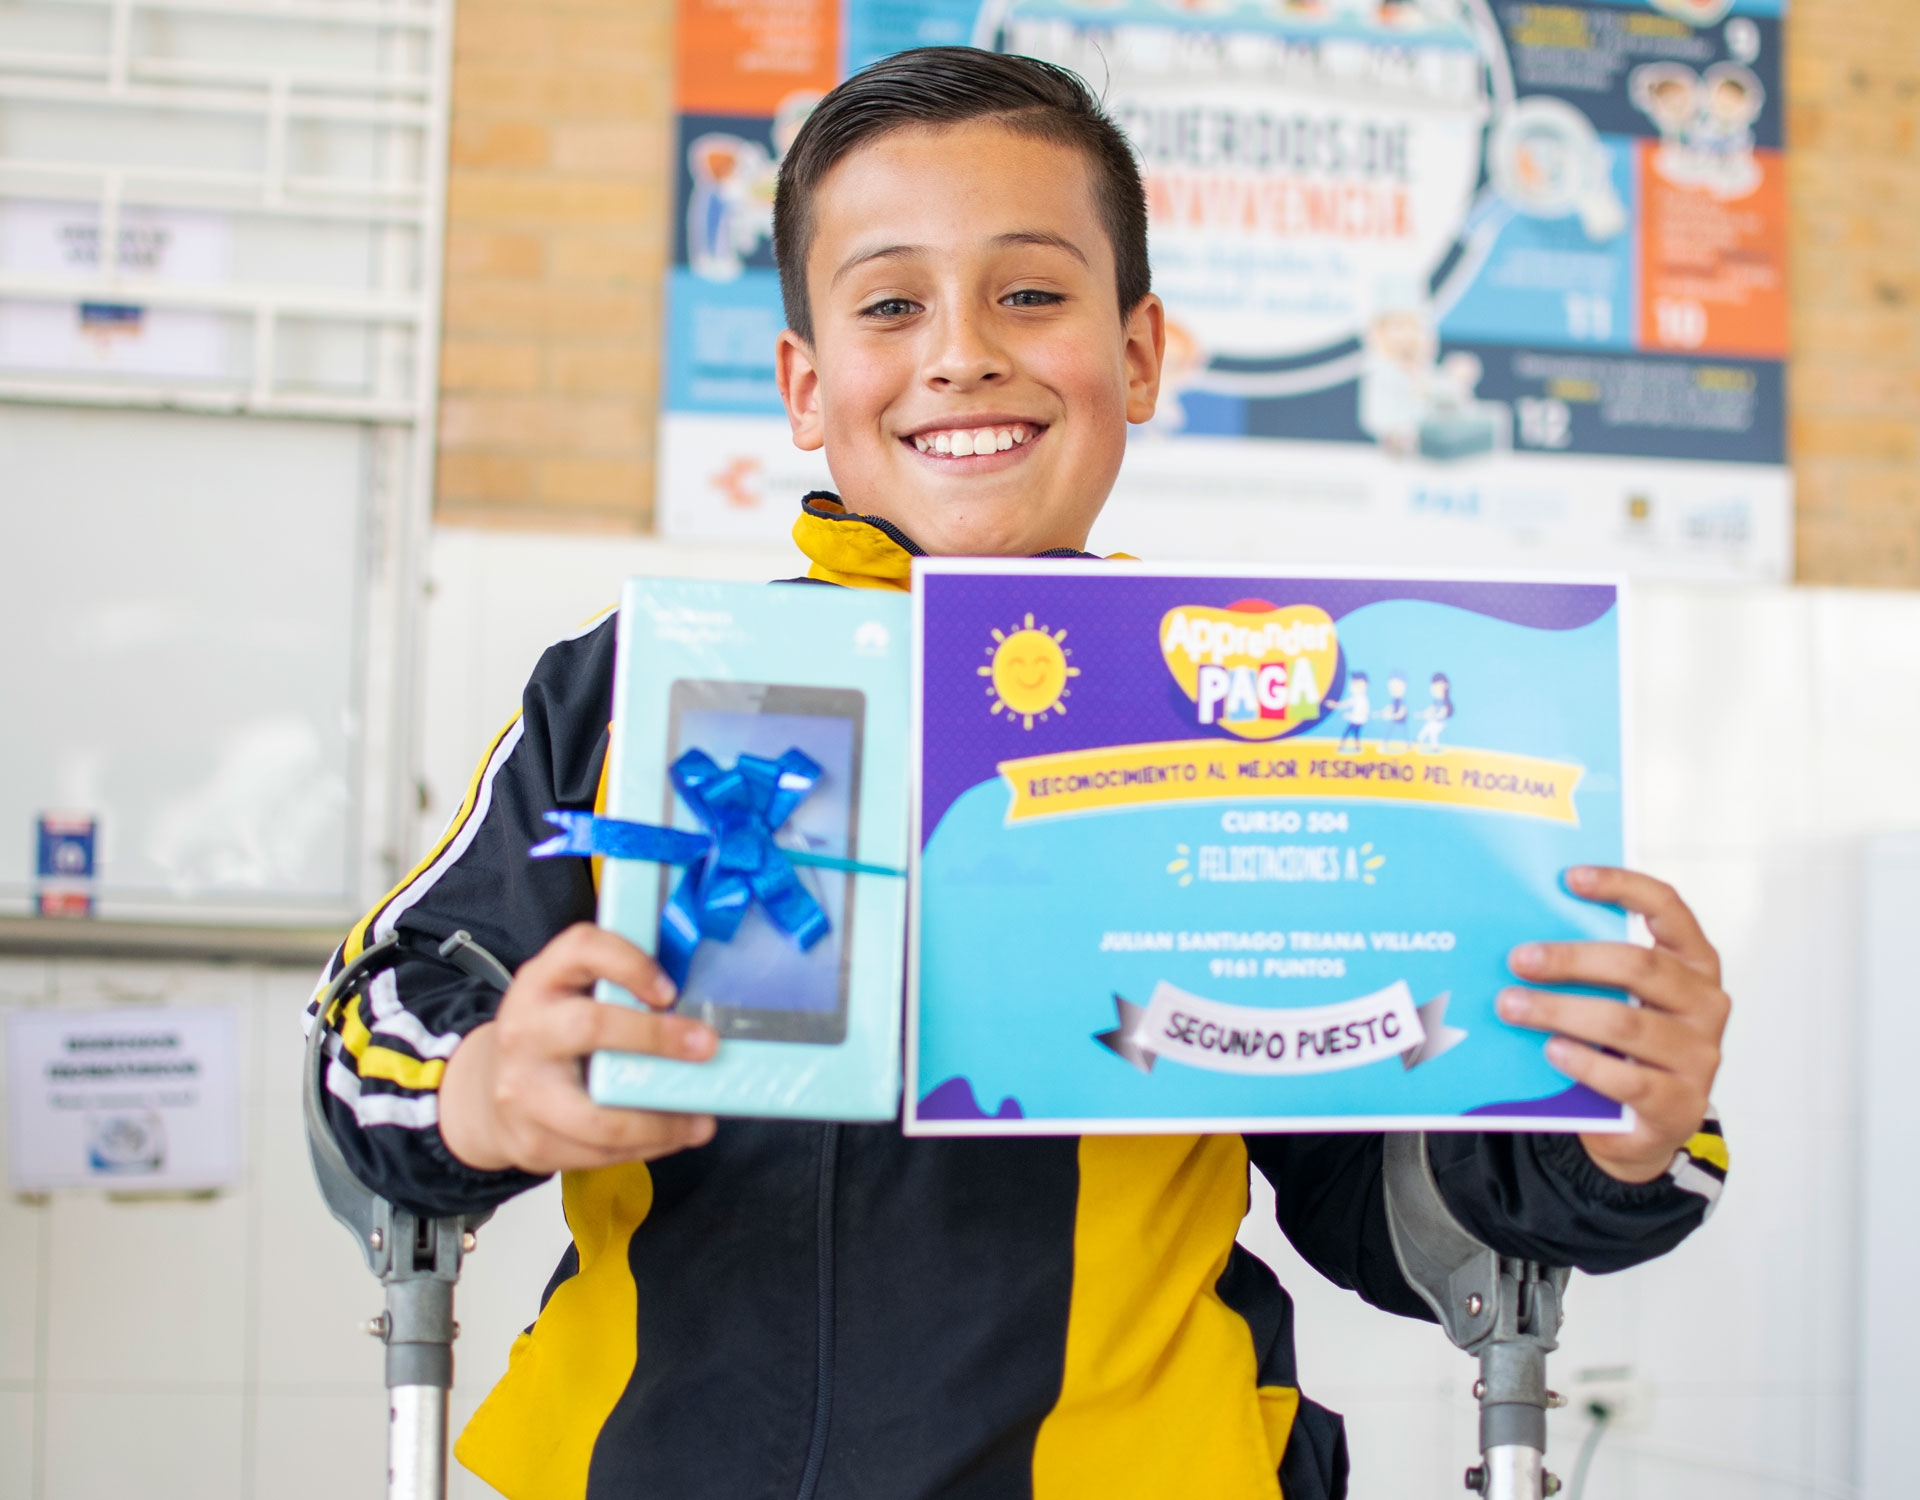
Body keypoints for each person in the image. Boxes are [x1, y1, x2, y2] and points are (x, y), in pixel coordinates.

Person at [307, 48, 1732, 1500]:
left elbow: (1394, 1193)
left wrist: (1608, 1128)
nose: (962, 352)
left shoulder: (1262, 727)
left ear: (1136, 355)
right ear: (807, 385)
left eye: (1032, 293)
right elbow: (376, 1029)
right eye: (888, 304)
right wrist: (484, 1091)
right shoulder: (637, 689)